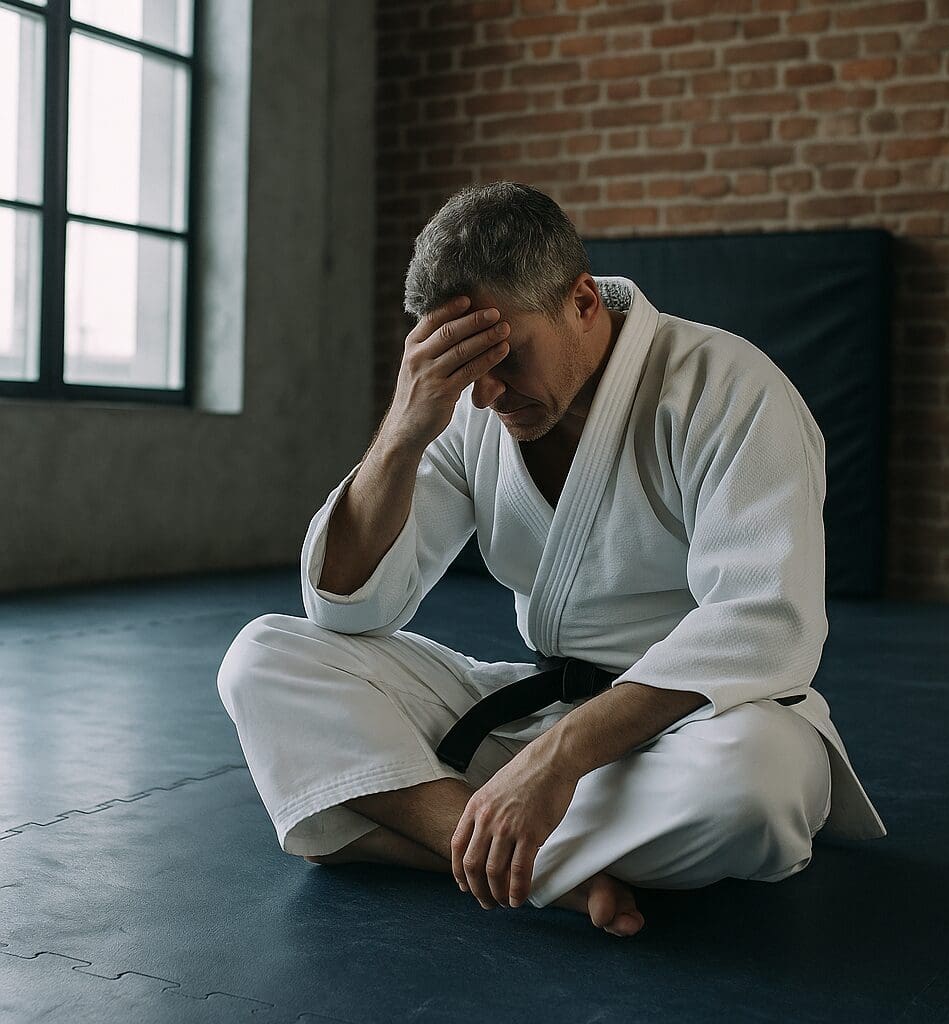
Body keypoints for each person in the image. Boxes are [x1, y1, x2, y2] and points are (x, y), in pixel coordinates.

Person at [217, 181, 886, 939]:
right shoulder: (468, 408)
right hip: (541, 712)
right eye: (463, 365)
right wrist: (405, 429)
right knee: (262, 657)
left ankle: (400, 825)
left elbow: (765, 622)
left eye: (507, 355)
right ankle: (518, 863)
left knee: (757, 787)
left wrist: (557, 763)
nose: (488, 392)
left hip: (701, 722)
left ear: (583, 302)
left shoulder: (727, 387)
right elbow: (351, 607)